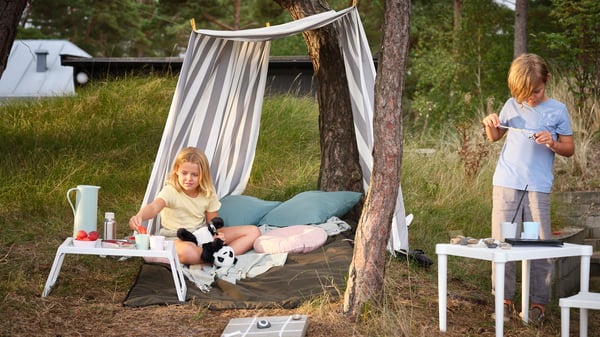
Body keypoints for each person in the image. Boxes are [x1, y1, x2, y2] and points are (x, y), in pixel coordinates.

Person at [481, 53, 574, 324]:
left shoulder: (557, 110)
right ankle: (504, 302)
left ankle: (537, 305)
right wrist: (490, 124)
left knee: (540, 244)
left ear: (546, 81)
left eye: (536, 91)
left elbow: (569, 148)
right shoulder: (512, 104)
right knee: (503, 242)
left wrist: (553, 143)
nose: (530, 98)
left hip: (537, 187)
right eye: (524, 93)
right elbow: (496, 136)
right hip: (506, 184)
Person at [129, 146, 260, 265]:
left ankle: (220, 256)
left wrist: (217, 235)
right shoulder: (171, 190)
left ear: (202, 175)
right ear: (176, 171)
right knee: (187, 252)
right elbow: (153, 207)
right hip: (177, 238)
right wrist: (140, 216)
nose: (189, 178)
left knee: (253, 231)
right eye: (184, 173)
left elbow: (213, 222)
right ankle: (218, 257)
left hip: (202, 235)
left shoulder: (208, 191)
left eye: (195, 175)